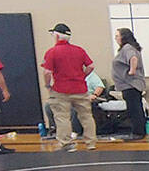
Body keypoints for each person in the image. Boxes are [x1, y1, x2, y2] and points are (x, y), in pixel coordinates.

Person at [41, 22, 97, 151]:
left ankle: (67, 143)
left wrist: (47, 85)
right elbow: (91, 66)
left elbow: (47, 72)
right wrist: (82, 76)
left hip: (61, 89)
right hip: (80, 88)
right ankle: (91, 142)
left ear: (56, 36)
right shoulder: (79, 50)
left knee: (62, 117)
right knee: (86, 116)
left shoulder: (52, 52)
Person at [44, 69, 107, 137]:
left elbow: (100, 87)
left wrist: (94, 95)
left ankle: (74, 131)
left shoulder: (90, 75)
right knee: (48, 105)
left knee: (75, 106)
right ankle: (56, 129)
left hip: (84, 97)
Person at [112, 28, 148, 139]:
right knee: (135, 108)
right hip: (129, 85)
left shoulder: (128, 48)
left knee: (134, 109)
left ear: (124, 37)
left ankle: (138, 132)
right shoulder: (128, 48)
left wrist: (132, 70)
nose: (116, 38)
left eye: (117, 36)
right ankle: (139, 131)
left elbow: (133, 58)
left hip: (131, 85)